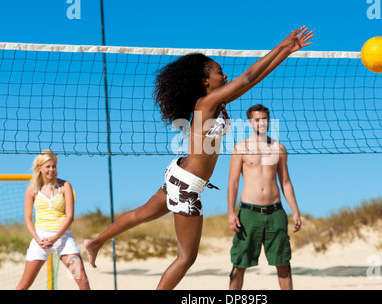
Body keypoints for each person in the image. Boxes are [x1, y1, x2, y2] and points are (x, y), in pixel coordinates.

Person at [84, 26, 313, 290]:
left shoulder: (217, 102)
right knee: (185, 258)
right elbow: (248, 77)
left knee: (141, 214)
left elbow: (254, 79)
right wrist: (282, 45)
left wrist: (286, 52)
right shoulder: (206, 104)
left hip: (180, 175)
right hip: (188, 186)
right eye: (218, 71)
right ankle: (98, 243)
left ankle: (96, 241)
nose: (225, 74)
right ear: (205, 81)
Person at [227, 104, 302, 290]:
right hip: (249, 213)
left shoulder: (279, 148)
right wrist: (230, 212)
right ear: (250, 122)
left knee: (283, 263)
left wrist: (295, 211)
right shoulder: (240, 148)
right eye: (257, 120)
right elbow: (233, 183)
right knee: (240, 264)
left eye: (265, 119)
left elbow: (286, 182)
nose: (262, 123)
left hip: (275, 212)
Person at [16, 149, 90, 290]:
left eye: (54, 166)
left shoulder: (65, 186)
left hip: (63, 238)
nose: (52, 169)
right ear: (40, 168)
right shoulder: (31, 189)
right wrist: (38, 240)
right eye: (48, 166)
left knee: (82, 280)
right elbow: (27, 218)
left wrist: (55, 238)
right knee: (24, 284)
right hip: (41, 239)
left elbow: (70, 217)